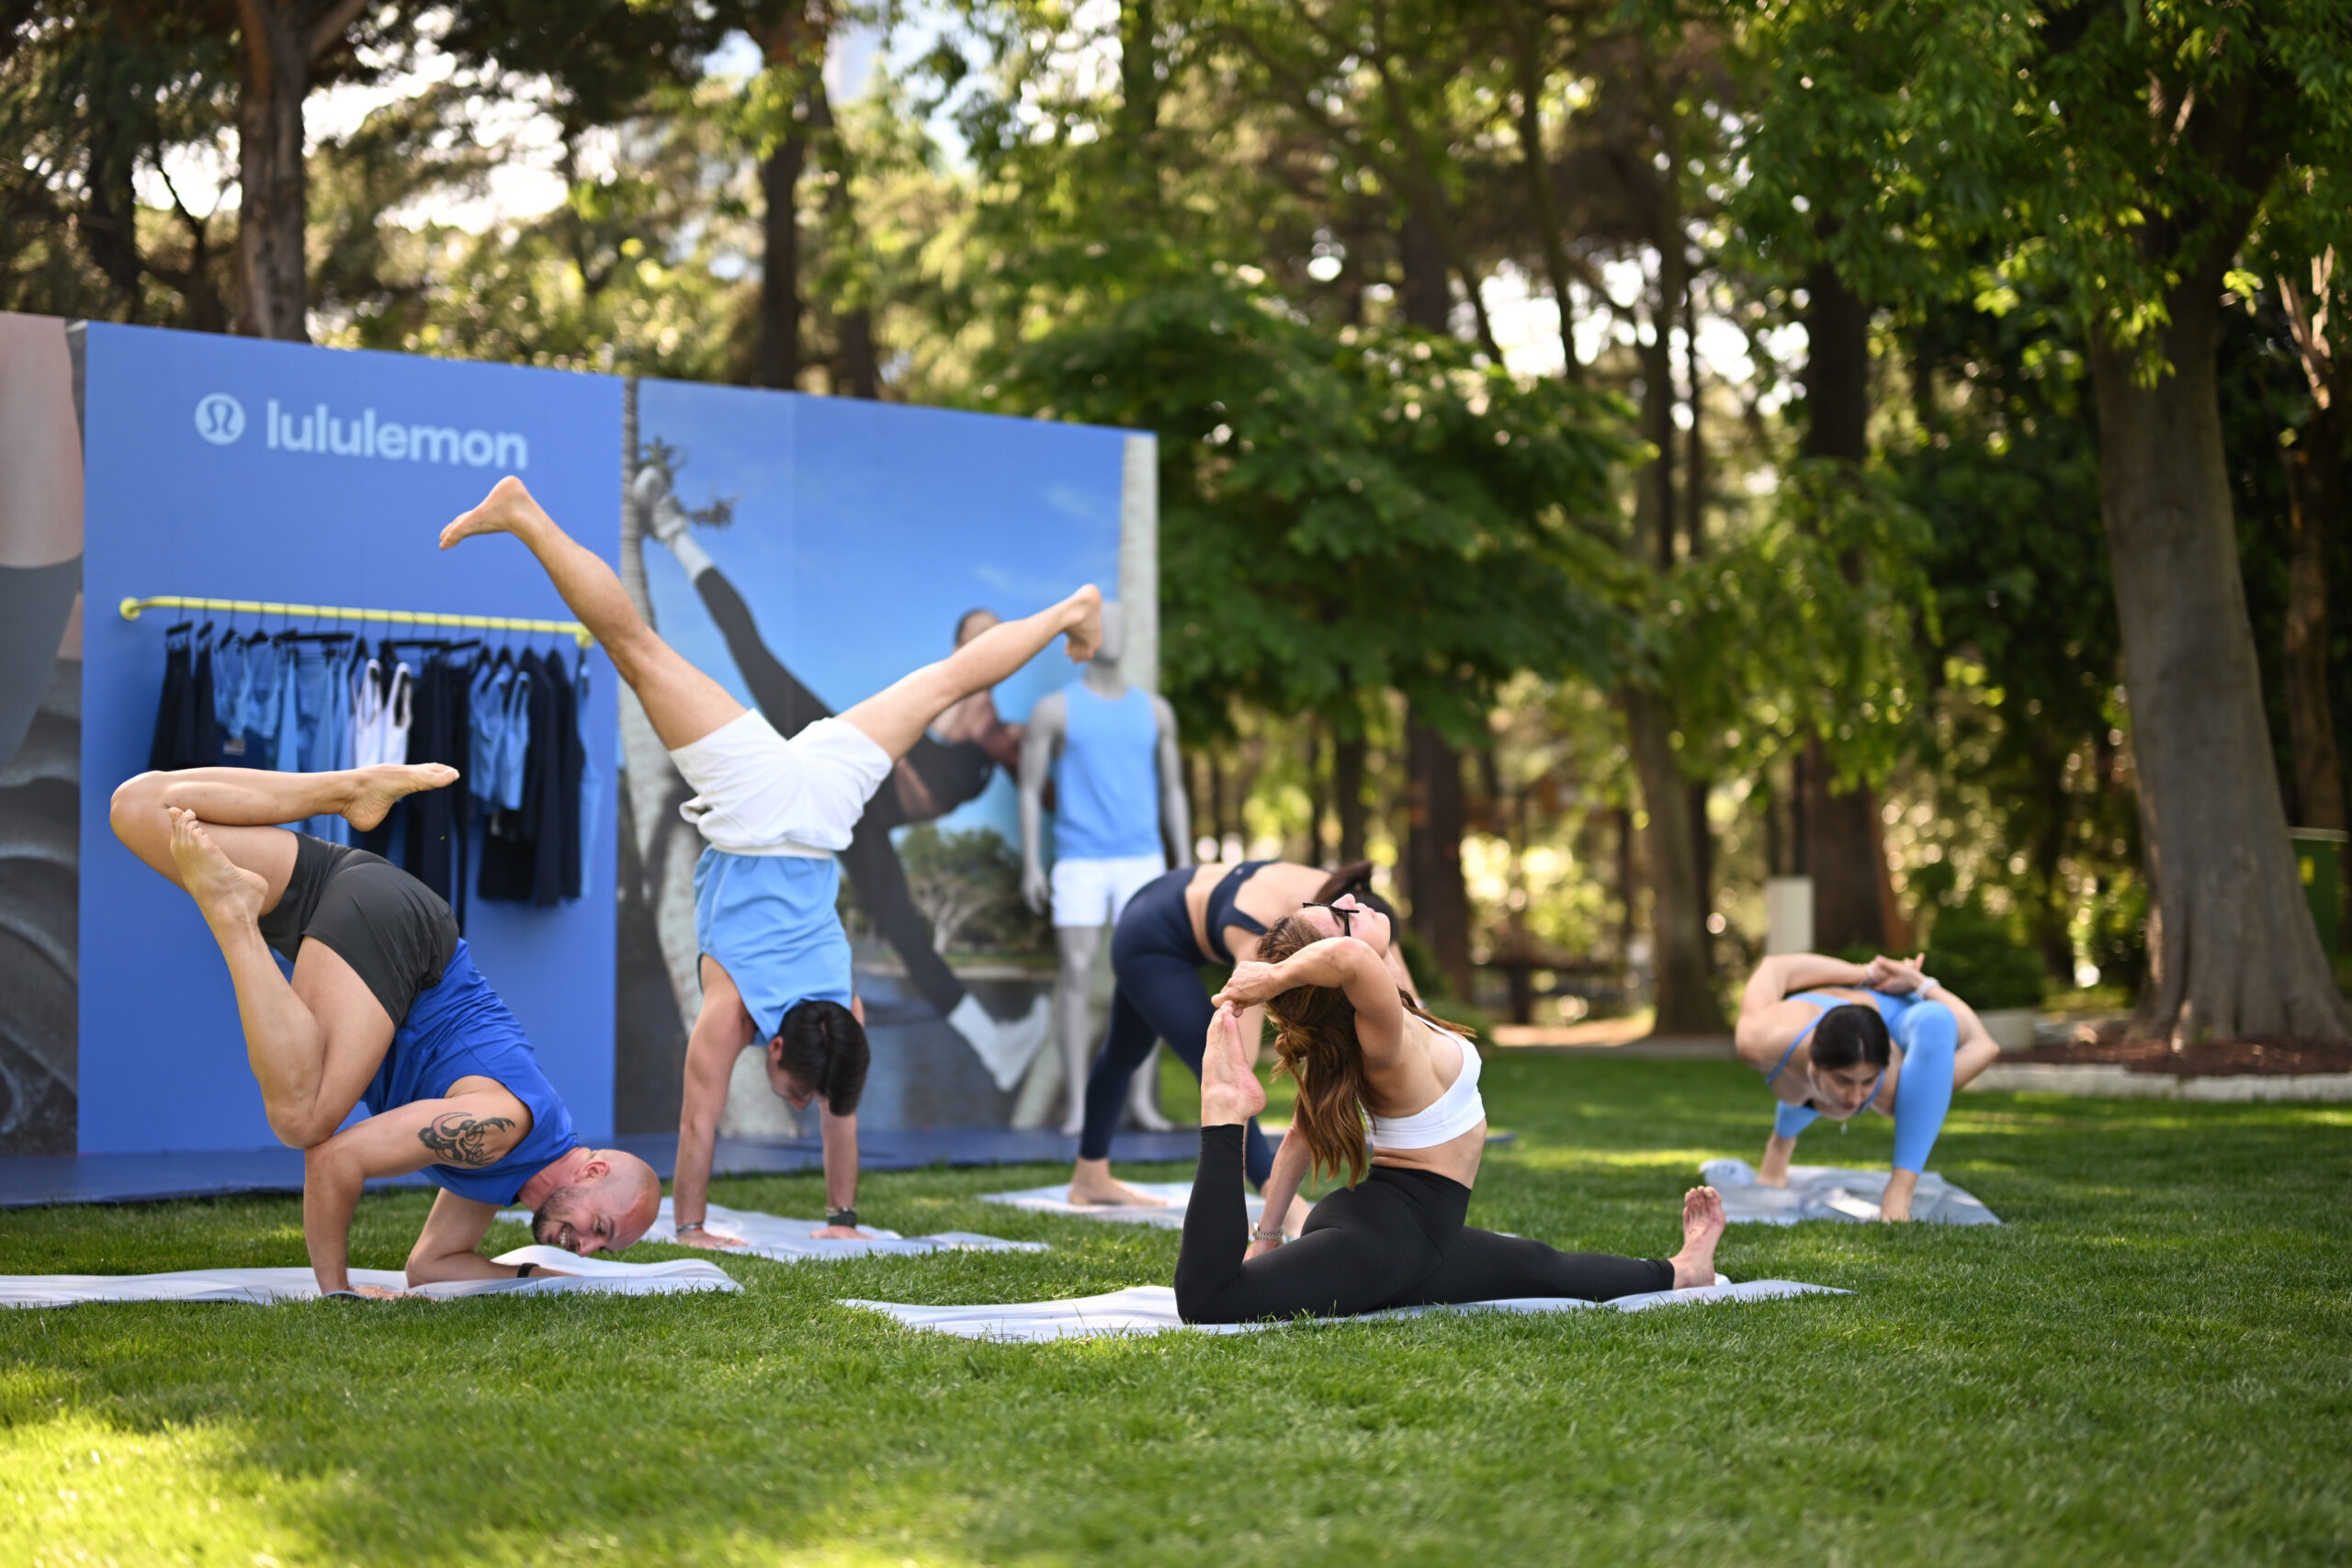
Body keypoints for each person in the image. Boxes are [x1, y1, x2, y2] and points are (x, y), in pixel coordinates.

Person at [441, 476, 1103, 1248]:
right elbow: (697, 1121)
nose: (800, 1104)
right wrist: (691, 1228)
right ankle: (522, 512)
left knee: (946, 681)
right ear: (776, 1047)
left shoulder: (839, 1021)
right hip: (760, 805)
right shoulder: (735, 1011)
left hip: (824, 805)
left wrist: (842, 1222)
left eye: (801, 1098)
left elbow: (835, 1112)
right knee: (635, 647)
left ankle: (1071, 610)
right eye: (796, 1093)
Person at [107, 762, 663, 1296]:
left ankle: (344, 792)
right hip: (393, 933)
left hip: (364, 896)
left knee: (138, 809)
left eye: (602, 1251)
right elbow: (336, 1159)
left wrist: (545, 1280)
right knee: (304, 1118)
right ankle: (234, 917)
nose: (585, 1248)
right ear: (593, 1171)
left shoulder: (506, 1170)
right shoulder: (501, 1129)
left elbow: (430, 1267)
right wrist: (339, 1290)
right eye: (600, 1230)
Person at [642, 474, 1049, 1086]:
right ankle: (674, 531)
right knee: (752, 652)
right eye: (983, 635)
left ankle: (995, 1047)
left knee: (906, 932)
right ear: (961, 646)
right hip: (841, 777)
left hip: (860, 814)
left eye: (1002, 634)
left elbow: (1027, 785)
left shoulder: (997, 736)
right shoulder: (932, 701)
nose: (996, 642)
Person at [1173, 894, 1727, 1324]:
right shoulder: (1380, 1033)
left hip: (1401, 1229)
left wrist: (1267, 1237)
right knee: (1210, 1301)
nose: (1350, 903)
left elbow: (1301, 1131)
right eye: (1340, 917)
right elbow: (1350, 958)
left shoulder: (1365, 1018)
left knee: (1543, 1266)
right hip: (1387, 1239)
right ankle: (1224, 1110)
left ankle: (1683, 1270)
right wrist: (1274, 978)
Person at [1066, 859, 1417, 1218]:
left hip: (1155, 901)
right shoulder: (1263, 932)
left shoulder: (1348, 903)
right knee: (1222, 1067)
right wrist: (1272, 1205)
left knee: (1121, 1054)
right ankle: (1283, 1204)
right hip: (1149, 939)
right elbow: (1235, 1077)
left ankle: (1089, 1176)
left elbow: (1403, 990)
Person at [1731, 950, 2003, 1222]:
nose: (1855, 1097)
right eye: (1843, 1080)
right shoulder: (1759, 1039)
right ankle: (1779, 1146)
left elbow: (1984, 1045)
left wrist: (1922, 984)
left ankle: (1900, 1190)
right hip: (1831, 1014)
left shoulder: (1900, 1089)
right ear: (1813, 1063)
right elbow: (1775, 967)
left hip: (1905, 1013)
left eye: (1868, 1081)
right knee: (1805, 1093)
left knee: (1935, 1020)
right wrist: (1865, 972)